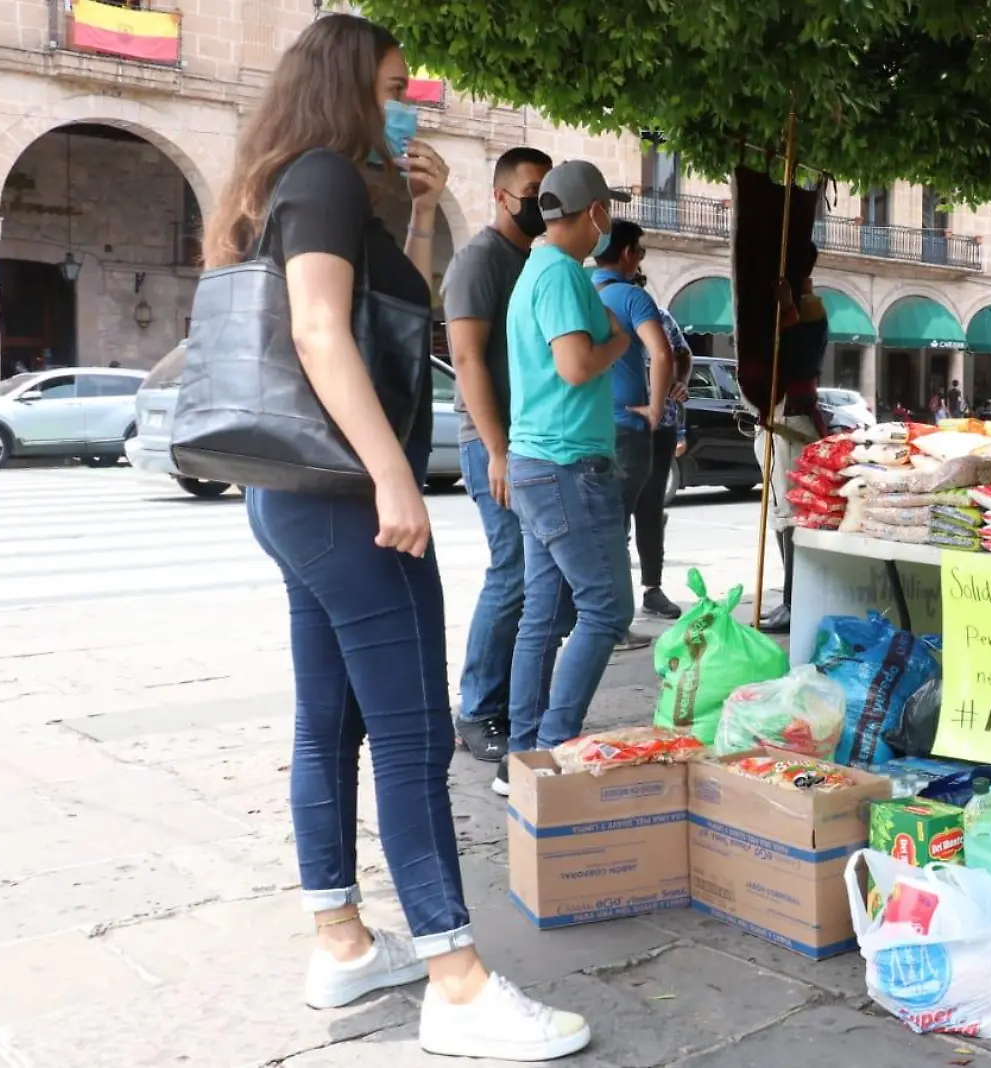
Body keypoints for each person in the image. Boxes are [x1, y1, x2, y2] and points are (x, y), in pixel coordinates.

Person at [200, 14, 589, 1059]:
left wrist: (415, 214)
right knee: (415, 732)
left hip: (294, 496)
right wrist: (389, 477)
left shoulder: (293, 178)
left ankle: (340, 938)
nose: (407, 101)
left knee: (328, 722)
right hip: (340, 495)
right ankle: (456, 982)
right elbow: (322, 332)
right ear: (347, 84)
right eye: (394, 83)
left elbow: (376, 316)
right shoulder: (323, 174)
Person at [502, 159, 636, 790]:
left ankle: (523, 755)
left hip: (536, 462)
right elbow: (578, 366)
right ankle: (552, 751)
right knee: (607, 609)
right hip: (566, 465)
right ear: (595, 214)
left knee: (543, 614)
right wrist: (620, 341)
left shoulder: (538, 266)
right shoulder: (559, 274)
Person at [442, 145, 553, 764]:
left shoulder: (529, 260)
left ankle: (511, 703)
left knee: (536, 580)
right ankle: (478, 709)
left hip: (529, 445)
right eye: (533, 188)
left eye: (548, 188)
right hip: (493, 445)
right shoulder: (479, 260)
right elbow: (466, 361)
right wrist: (497, 450)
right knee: (511, 571)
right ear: (502, 195)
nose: (541, 200)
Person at [590, 219, 673, 643]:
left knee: (598, 524)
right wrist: (656, 408)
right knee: (617, 525)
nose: (639, 259)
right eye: (639, 252)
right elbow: (663, 353)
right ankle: (612, 624)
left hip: (585, 427)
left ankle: (592, 618)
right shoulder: (632, 296)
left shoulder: (579, 289)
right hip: (626, 426)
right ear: (625, 253)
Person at [752, 249, 829, 635]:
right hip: (777, 418)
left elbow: (800, 353)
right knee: (782, 515)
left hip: (793, 421)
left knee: (793, 516)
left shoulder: (809, 305)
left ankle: (794, 601)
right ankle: (791, 597)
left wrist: (786, 310)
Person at [629, 274, 693, 619]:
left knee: (651, 509)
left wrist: (680, 382)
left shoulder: (660, 316)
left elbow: (683, 354)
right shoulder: (604, 312)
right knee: (614, 511)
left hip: (661, 425)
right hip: (619, 425)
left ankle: (652, 588)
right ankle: (612, 596)